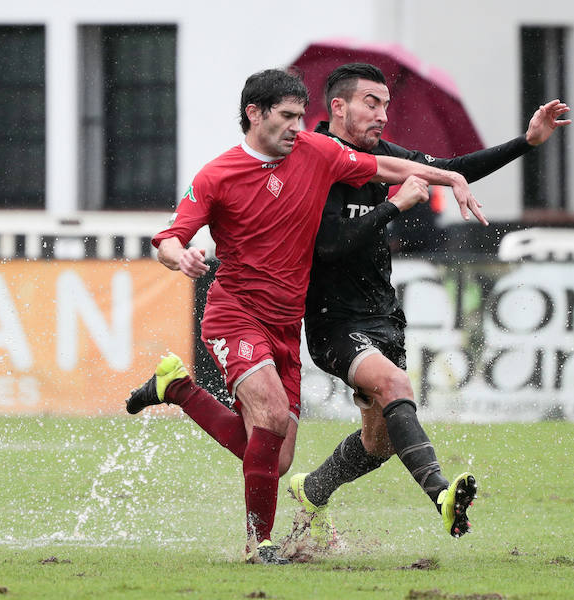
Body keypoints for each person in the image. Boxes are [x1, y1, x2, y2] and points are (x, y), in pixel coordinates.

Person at [124, 68, 487, 565]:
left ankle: (177, 388)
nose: (299, 125)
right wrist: (179, 255)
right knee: (271, 417)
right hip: (234, 314)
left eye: (301, 115)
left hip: (285, 326)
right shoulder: (216, 175)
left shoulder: (317, 153)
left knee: (276, 457)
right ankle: (260, 544)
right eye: (288, 116)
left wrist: (449, 176)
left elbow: (382, 167)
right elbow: (170, 237)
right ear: (255, 114)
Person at [289, 63, 572, 548]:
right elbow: (328, 246)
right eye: (370, 103)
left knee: (377, 444)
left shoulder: (383, 155)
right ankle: (442, 494)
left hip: (383, 316)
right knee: (396, 384)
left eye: (385, 105)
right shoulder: (314, 158)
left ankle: (311, 490)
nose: (381, 115)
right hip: (332, 322)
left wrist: (527, 142)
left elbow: (451, 168)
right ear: (337, 106)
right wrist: (393, 206)